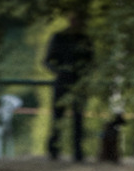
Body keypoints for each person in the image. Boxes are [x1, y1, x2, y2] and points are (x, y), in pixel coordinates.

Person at [44, 14, 93, 162]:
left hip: (78, 84)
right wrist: (60, 71)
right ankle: (54, 150)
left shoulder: (84, 39)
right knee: (58, 116)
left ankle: (78, 152)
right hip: (62, 82)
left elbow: (91, 61)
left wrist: (83, 74)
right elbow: (48, 61)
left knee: (78, 119)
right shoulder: (59, 38)